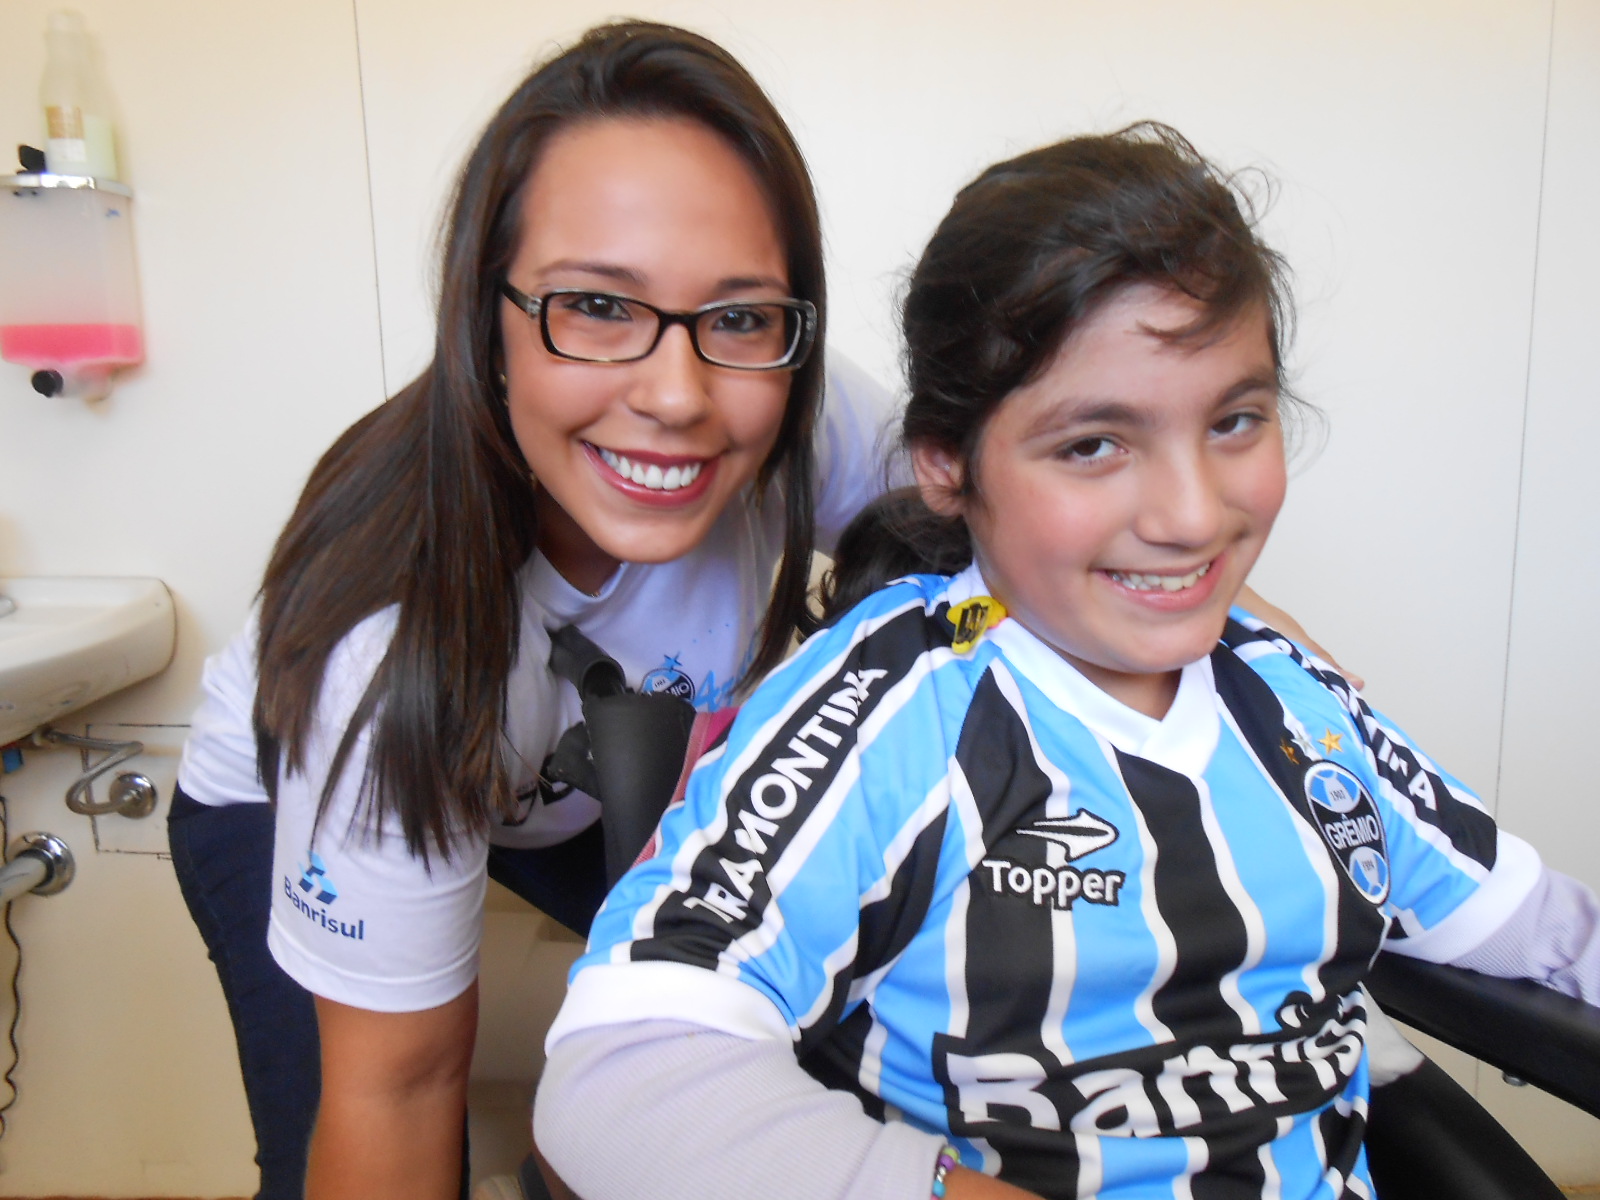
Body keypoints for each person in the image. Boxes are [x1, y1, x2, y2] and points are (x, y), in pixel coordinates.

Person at [534, 123, 1600, 1200]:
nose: (1191, 517)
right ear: (943, 462)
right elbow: (618, 1073)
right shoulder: (892, 715)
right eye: (1093, 444)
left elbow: (1542, 934)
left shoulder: (1297, 703)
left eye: (1235, 421)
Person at [167, 22, 898, 1200]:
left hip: (573, 787)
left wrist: (1293, 701)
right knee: (356, 1124)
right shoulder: (384, 640)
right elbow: (395, 1096)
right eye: (596, 306)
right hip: (292, 791)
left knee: (758, 1051)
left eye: (741, 317)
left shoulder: (795, 407)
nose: (677, 396)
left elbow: (1046, 520)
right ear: (485, 316)